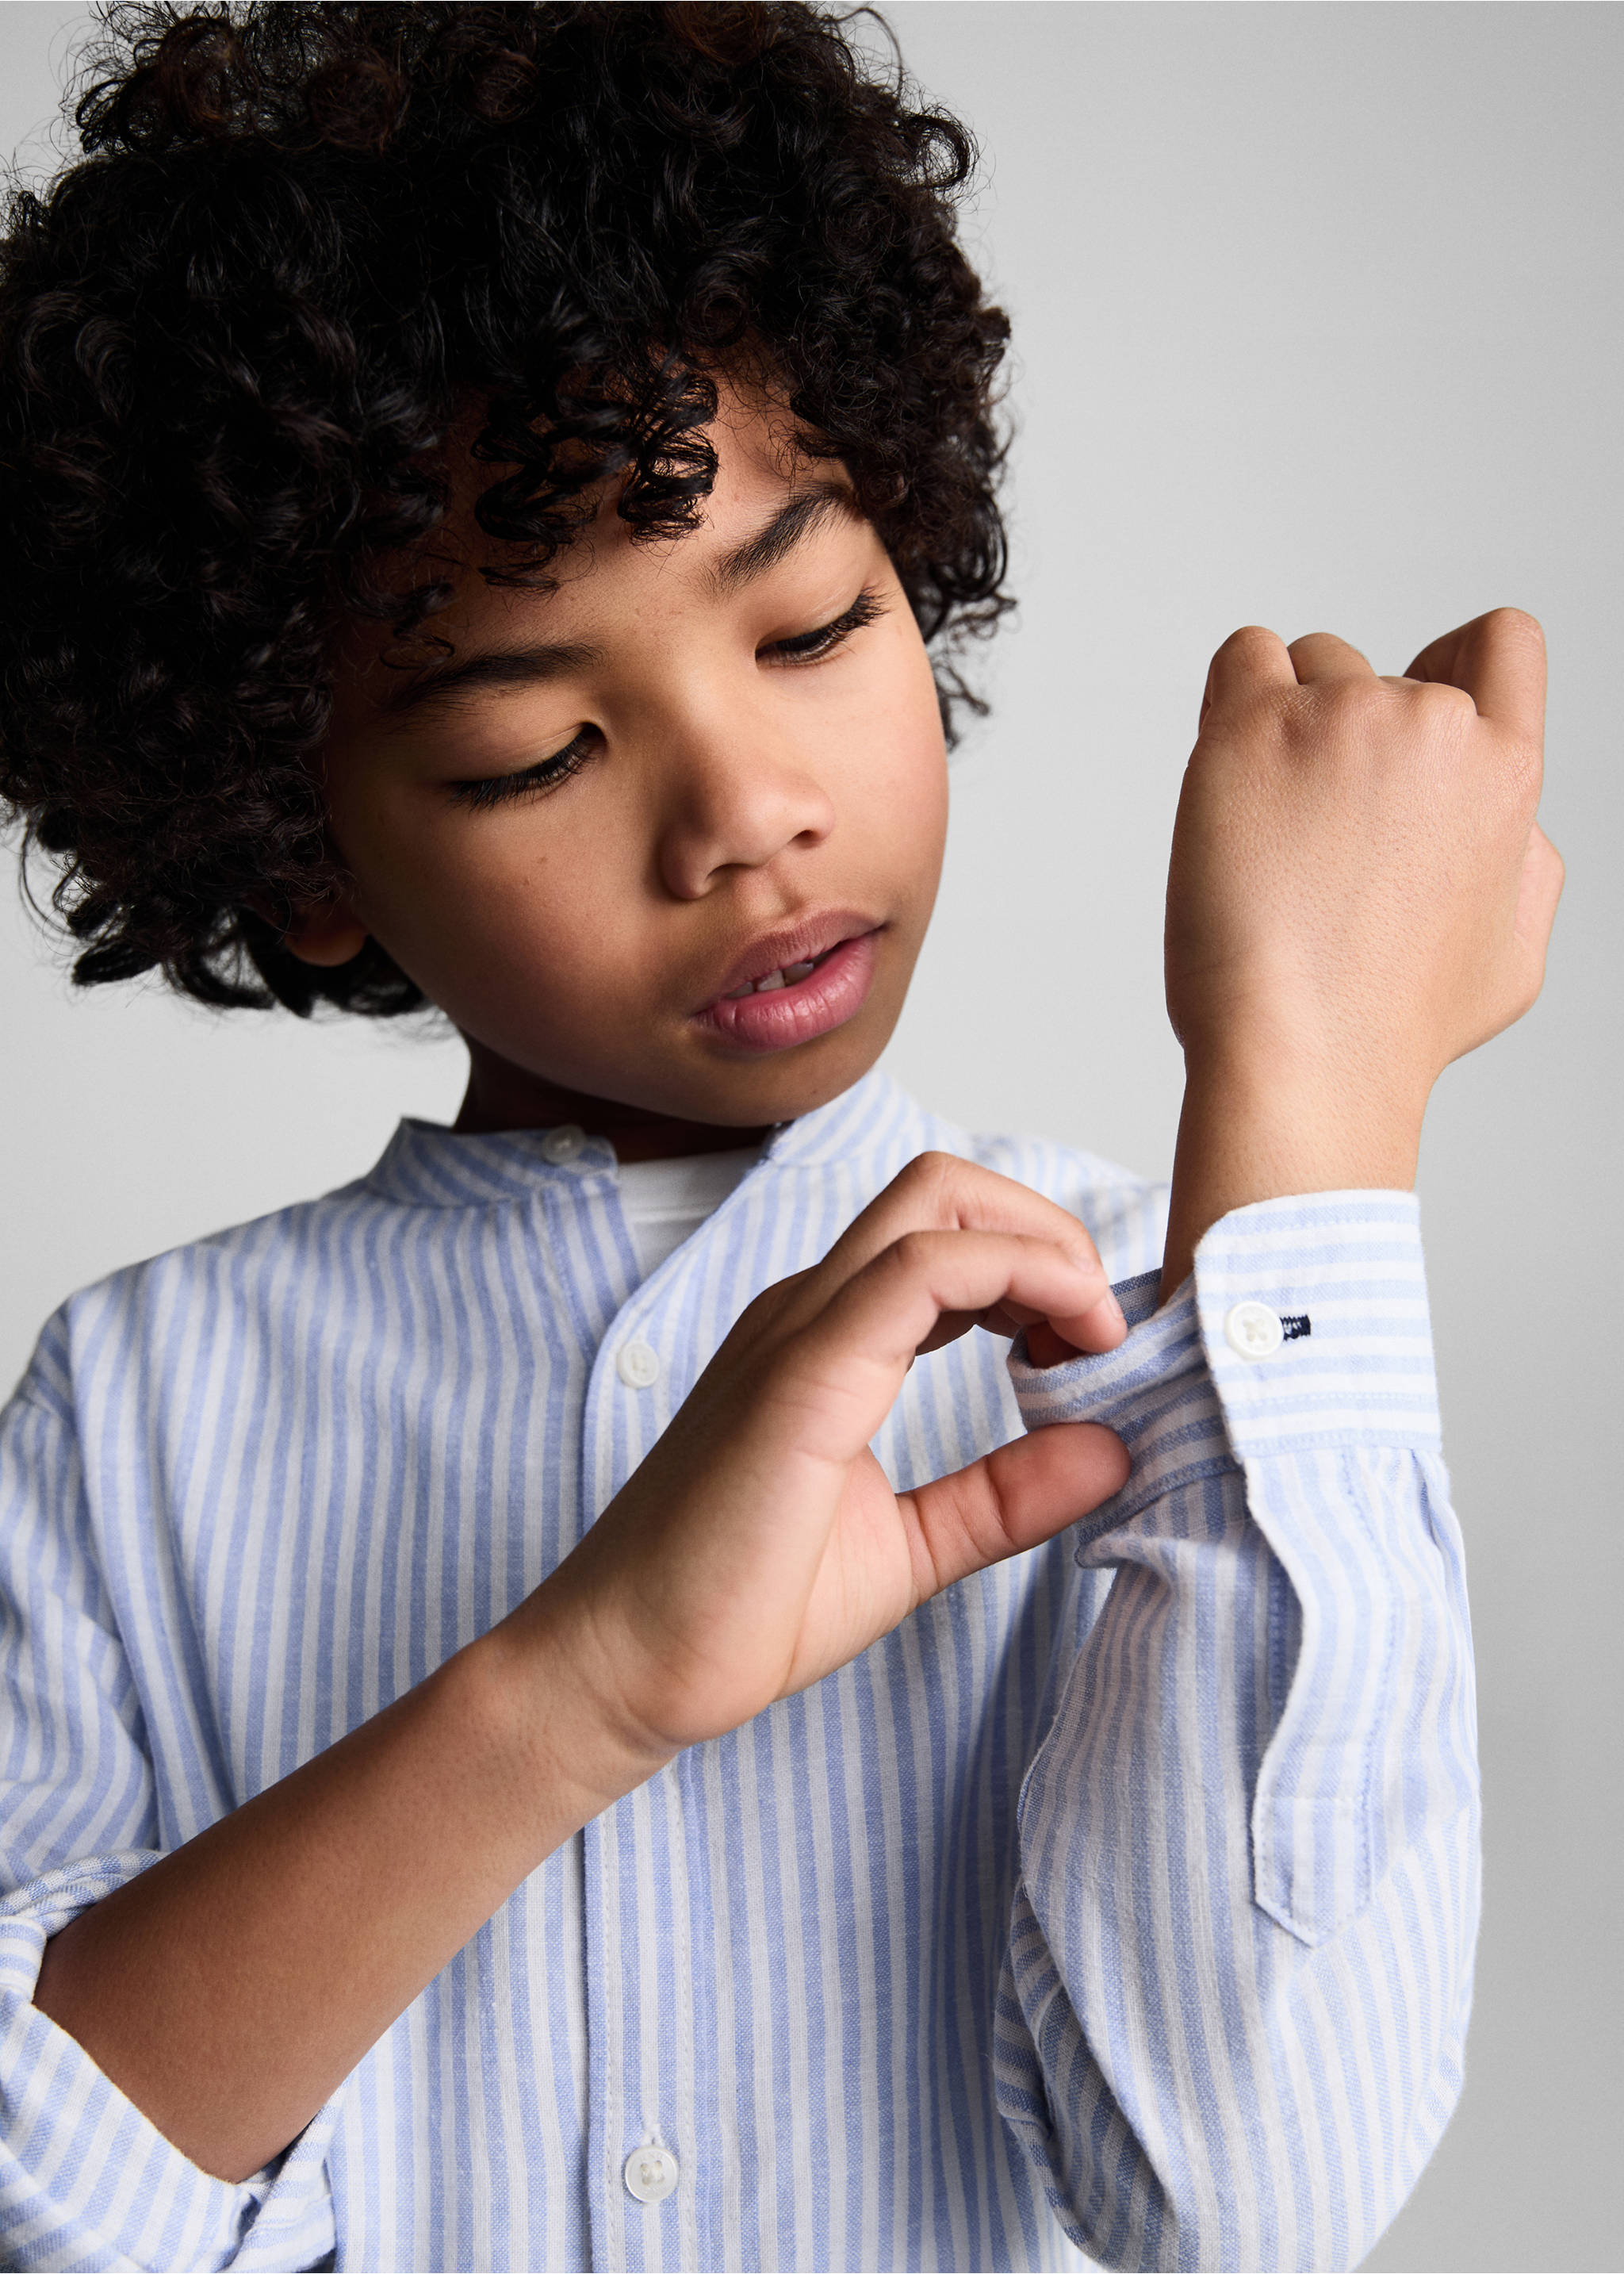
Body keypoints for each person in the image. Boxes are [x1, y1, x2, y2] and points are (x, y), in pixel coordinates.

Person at [0, 5, 1561, 2269]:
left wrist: (1306, 1108)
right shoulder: (135, 1415)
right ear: (293, 842)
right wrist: (582, 1681)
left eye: (817, 623)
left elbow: (1255, 2185)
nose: (749, 817)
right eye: (538, 751)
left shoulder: (1169, 1320)